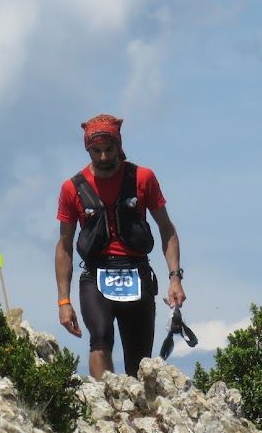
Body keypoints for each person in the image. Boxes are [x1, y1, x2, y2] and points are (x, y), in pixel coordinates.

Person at [55, 114, 185, 379]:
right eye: (96, 151)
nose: (103, 157)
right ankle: (105, 405)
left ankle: (139, 414)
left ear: (119, 145)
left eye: (109, 149)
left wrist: (175, 278)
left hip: (137, 273)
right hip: (95, 276)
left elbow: (166, 228)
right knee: (100, 337)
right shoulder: (72, 188)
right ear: (88, 150)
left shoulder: (143, 178)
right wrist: (63, 301)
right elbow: (64, 245)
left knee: (139, 361)